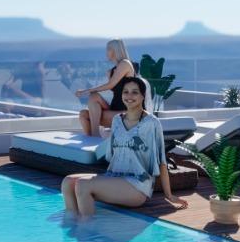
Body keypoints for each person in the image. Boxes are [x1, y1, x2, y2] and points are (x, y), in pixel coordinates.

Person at [62, 77, 182, 217]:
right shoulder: (117, 120)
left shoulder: (151, 123)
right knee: (68, 182)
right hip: (115, 177)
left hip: (137, 185)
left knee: (83, 184)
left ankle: (86, 227)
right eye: (126, 92)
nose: (129, 96)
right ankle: (72, 223)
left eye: (135, 92)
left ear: (143, 96)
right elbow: (111, 155)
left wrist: (169, 195)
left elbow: (161, 161)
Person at [76, 40, 137, 138]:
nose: (106, 52)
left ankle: (95, 135)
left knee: (93, 96)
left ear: (115, 50)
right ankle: (91, 138)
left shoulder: (125, 64)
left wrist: (85, 91)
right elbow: (114, 90)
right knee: (83, 114)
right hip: (114, 109)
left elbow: (110, 85)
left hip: (127, 112)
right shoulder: (110, 72)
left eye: (108, 49)